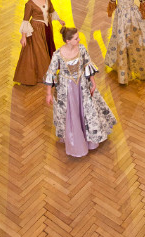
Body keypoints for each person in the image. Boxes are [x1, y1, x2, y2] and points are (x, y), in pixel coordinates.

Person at [44, 26, 116, 158]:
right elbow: (51, 73)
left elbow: (87, 65)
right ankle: (76, 143)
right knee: (72, 114)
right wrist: (48, 94)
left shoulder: (81, 49)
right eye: (76, 38)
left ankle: (90, 139)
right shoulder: (57, 55)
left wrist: (93, 82)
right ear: (68, 41)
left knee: (87, 111)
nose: (79, 40)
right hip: (66, 90)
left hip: (82, 86)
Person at [13, 0, 65, 85]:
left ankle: (49, 73)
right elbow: (25, 21)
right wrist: (23, 37)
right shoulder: (29, 4)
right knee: (41, 53)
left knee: (47, 49)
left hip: (47, 28)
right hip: (36, 30)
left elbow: (51, 10)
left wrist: (59, 20)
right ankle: (46, 76)